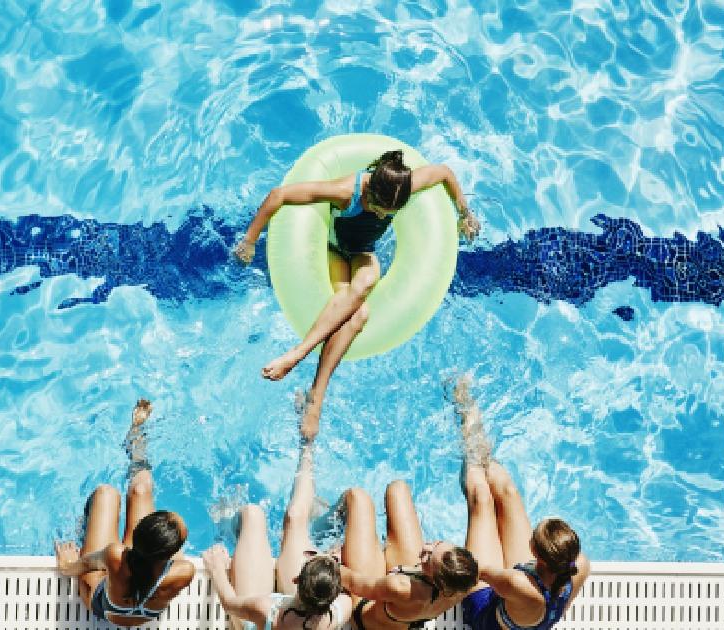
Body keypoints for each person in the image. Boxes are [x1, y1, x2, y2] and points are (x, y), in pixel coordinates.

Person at [233, 150, 480, 437]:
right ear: (370, 191)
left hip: (363, 252)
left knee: (367, 281)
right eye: (378, 209)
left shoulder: (404, 186)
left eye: (389, 213)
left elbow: (445, 173)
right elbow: (279, 195)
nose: (382, 215)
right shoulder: (345, 192)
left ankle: (303, 369)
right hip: (333, 250)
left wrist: (465, 213)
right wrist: (249, 240)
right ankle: (312, 389)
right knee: (359, 314)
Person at [452, 376, 591, 630]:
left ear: (534, 551)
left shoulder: (519, 584)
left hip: (486, 613)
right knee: (508, 492)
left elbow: (471, 571)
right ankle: (477, 439)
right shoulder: (579, 564)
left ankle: (465, 409)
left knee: (481, 499)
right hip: (522, 600)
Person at [54, 399, 196, 626]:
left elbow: (86, 565)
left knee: (106, 494)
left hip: (103, 606)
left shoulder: (115, 556)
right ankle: (136, 435)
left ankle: (84, 527)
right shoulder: (185, 571)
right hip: (141, 590)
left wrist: (66, 566)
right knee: (141, 489)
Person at [203, 416, 353, 630]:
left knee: (253, 515)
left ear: (296, 579)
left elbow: (229, 604)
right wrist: (332, 560)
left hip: (256, 623)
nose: (309, 553)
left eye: (310, 556)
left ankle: (224, 523)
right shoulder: (339, 611)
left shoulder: (265, 610)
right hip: (301, 609)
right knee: (295, 516)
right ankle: (307, 444)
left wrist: (217, 569)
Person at [337, 480, 479, 630]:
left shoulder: (400, 587)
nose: (426, 547)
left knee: (357, 497)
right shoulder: (465, 580)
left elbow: (353, 583)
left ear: (437, 579)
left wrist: (329, 561)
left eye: (428, 558)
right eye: (437, 544)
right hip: (406, 607)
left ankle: (328, 520)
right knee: (398, 489)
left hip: (366, 610)